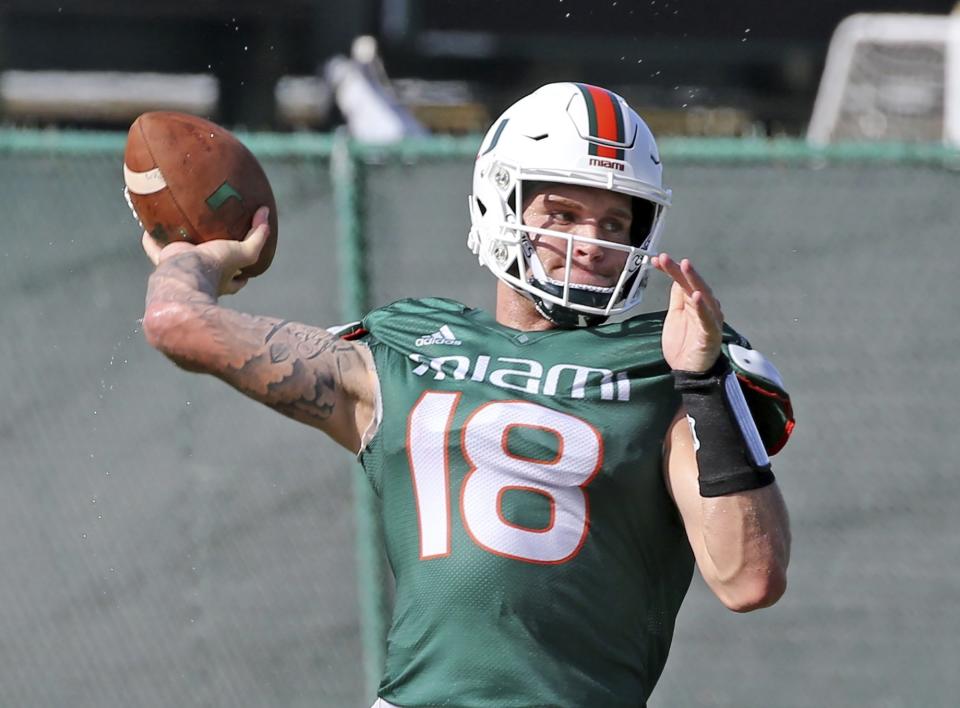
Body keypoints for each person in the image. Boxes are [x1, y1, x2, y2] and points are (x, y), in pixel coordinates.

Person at [141, 82, 793, 708]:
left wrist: (705, 381)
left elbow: (748, 579)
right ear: (499, 203)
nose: (591, 243)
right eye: (563, 214)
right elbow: (181, 327)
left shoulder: (667, 361)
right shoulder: (409, 344)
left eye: (614, 221)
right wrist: (191, 260)